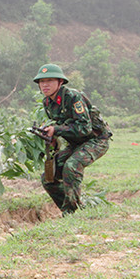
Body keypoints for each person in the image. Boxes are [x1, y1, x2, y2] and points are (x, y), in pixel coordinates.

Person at [33, 63, 112, 214]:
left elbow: (84, 128)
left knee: (72, 166)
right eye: (42, 82)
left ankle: (71, 212)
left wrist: (56, 129)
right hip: (76, 143)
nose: (45, 85)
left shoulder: (73, 97)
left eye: (49, 80)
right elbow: (63, 125)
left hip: (96, 140)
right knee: (48, 178)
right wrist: (52, 136)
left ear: (60, 82)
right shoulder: (48, 103)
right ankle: (75, 208)